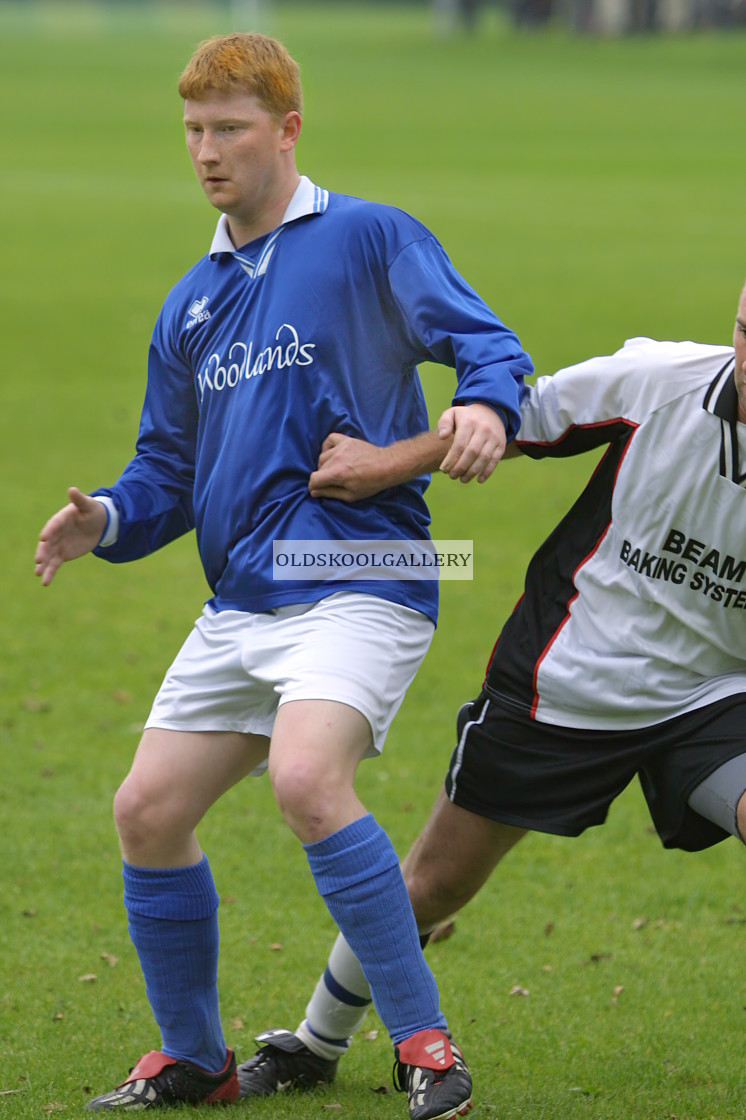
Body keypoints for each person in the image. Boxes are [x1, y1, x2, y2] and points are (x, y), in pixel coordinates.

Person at [34, 30, 532, 1119]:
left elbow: (487, 343)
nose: (207, 152)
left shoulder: (365, 238)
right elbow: (166, 469)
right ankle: (196, 1057)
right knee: (145, 810)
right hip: (242, 603)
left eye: (230, 129)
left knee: (309, 780)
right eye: (194, 132)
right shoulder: (191, 302)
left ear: (287, 128)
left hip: (361, 575)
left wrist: (486, 404)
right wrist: (107, 518)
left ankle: (424, 1043)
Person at [236, 284, 746, 1100]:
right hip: (570, 680)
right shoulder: (660, 381)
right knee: (432, 885)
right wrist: (381, 467)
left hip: (716, 696)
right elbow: (513, 422)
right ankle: (313, 1044)